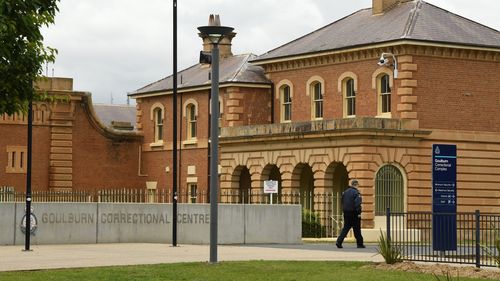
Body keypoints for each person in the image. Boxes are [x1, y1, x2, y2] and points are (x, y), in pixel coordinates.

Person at [336, 179, 365, 248]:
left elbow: (342, 202)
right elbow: (357, 204)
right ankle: (360, 243)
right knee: (357, 228)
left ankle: (339, 241)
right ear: (356, 185)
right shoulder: (356, 193)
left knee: (346, 228)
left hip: (346, 212)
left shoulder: (345, 192)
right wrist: (359, 212)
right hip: (354, 213)